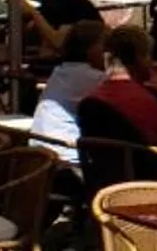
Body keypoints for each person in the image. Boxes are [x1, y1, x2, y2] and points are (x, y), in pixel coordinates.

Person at [76, 21, 157, 149]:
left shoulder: (91, 100)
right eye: (149, 56)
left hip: (104, 161)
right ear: (139, 57)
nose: (150, 62)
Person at [29, 19, 111, 165]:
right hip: (67, 159)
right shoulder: (93, 78)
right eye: (106, 47)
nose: (110, 53)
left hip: (38, 155)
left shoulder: (60, 70)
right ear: (90, 49)